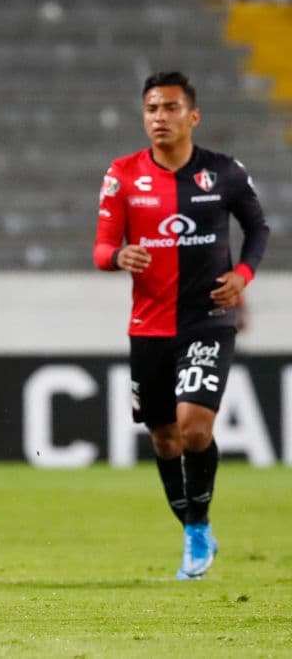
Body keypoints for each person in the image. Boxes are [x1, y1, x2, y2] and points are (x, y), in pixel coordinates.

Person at [94, 71, 269, 580]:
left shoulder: (225, 173)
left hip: (209, 319)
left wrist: (243, 274)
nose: (160, 118)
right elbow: (102, 247)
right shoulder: (122, 175)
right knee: (165, 437)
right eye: (152, 109)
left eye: (170, 108)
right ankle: (193, 527)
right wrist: (118, 255)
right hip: (149, 326)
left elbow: (257, 227)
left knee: (195, 427)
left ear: (192, 116)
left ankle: (197, 525)